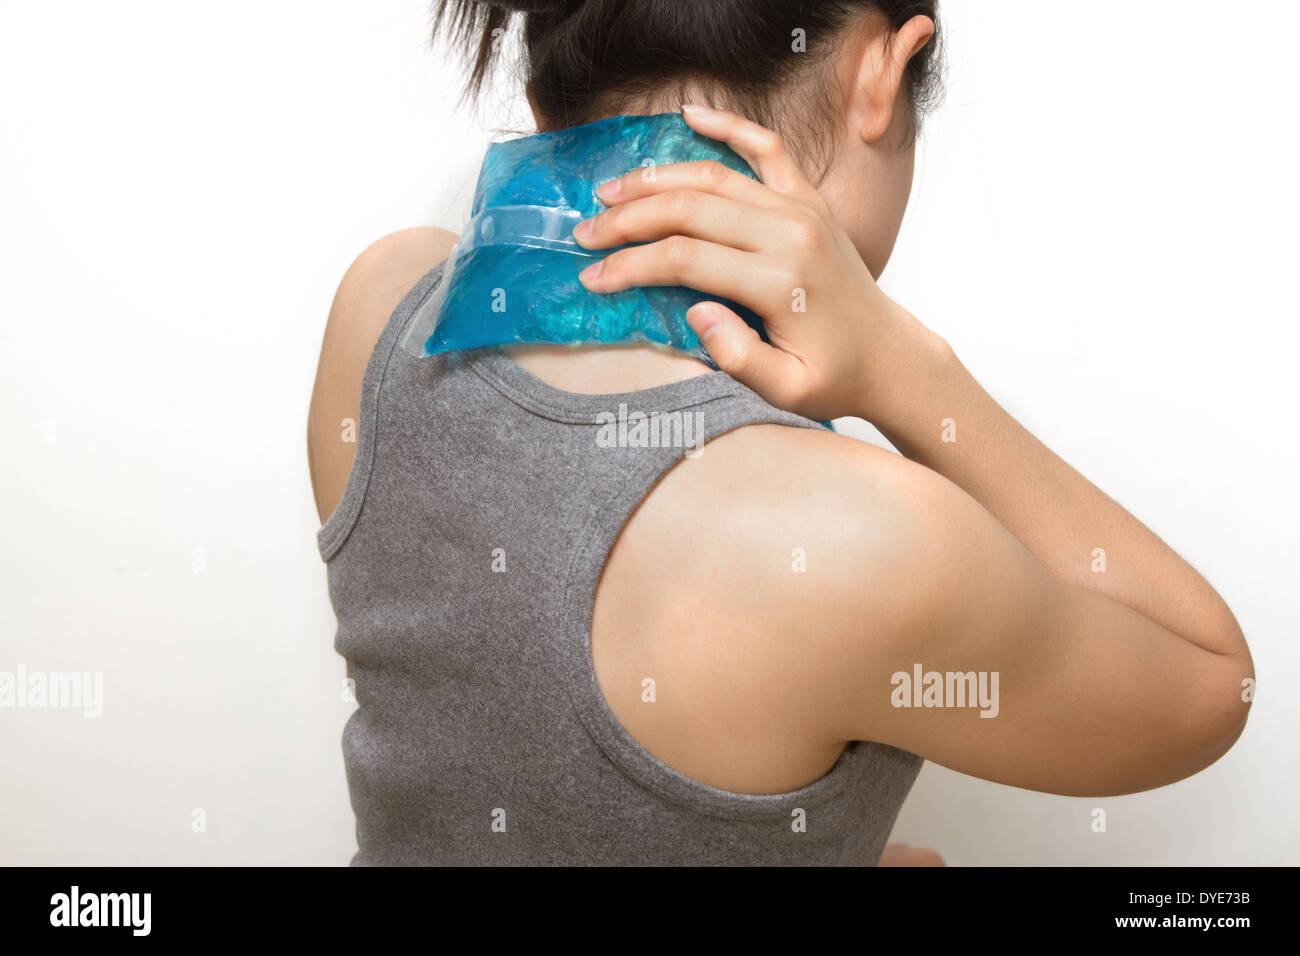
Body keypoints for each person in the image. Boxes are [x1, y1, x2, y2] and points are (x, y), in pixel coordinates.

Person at [307, 0, 1253, 865]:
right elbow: (1214, 684)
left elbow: (526, 739)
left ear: (550, 87)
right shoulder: (864, 541)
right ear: (883, 73)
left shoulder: (382, 310)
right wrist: (905, 369)